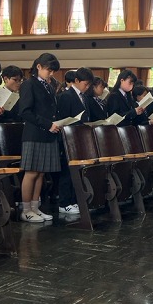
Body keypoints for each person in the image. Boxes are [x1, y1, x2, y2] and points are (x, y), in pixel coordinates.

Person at [17, 53, 61, 222]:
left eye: (53, 71)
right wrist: (47, 124)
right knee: (31, 172)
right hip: (34, 133)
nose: (51, 74)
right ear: (39, 67)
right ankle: (26, 210)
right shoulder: (29, 84)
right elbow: (25, 111)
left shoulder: (48, 85)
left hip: (47, 133)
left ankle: (35, 208)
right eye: (49, 70)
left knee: (41, 173)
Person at [56, 67, 94, 214]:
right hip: (68, 139)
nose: (87, 87)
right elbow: (63, 118)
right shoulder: (66, 96)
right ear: (76, 81)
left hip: (81, 137)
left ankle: (73, 200)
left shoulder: (84, 97)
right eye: (85, 84)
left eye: (89, 85)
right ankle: (64, 202)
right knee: (67, 172)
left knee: (77, 172)